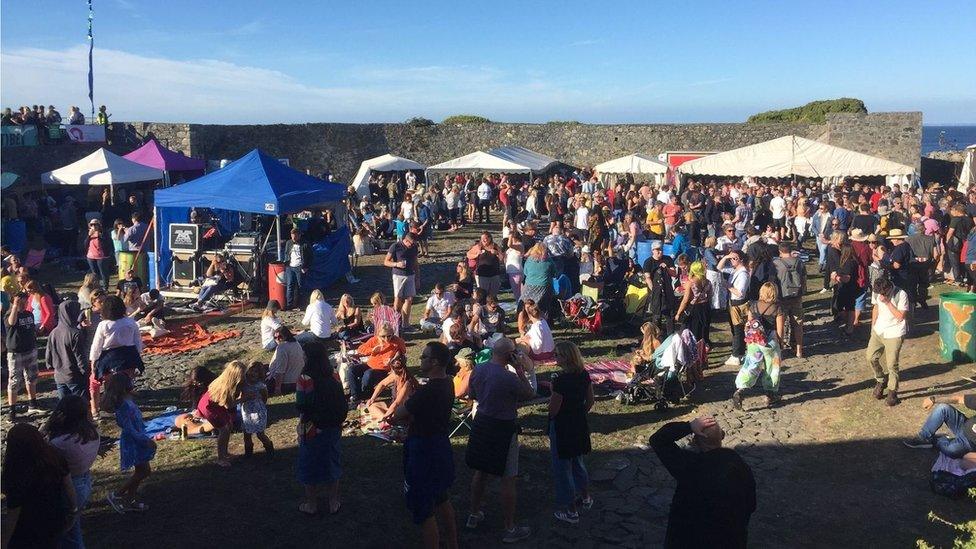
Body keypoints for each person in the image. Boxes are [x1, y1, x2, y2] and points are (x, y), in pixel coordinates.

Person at [465, 337, 535, 544]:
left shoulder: (478, 370)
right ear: (510, 355)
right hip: (503, 427)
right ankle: (509, 527)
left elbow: (472, 394)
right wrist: (520, 370)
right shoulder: (510, 378)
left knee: (481, 470)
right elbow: (529, 394)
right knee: (508, 477)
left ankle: (474, 513)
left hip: (482, 423)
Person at [650, 417, 756, 549]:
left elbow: (658, 440)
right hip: (729, 540)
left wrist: (688, 426)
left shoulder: (690, 467)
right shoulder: (741, 467)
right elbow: (751, 505)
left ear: (695, 440)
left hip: (688, 539)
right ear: (721, 436)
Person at [394, 342, 459, 549]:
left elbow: (398, 414)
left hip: (423, 450)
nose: (420, 359)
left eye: (424, 357)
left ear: (435, 362)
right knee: (441, 497)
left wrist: (408, 403)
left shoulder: (427, 392)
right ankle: (453, 543)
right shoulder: (447, 383)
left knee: (424, 509)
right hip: (440, 445)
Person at [1, 423, 77, 549]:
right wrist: (73, 510)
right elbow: (69, 487)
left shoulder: (16, 473)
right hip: (55, 518)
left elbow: (13, 516)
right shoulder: (54, 457)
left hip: (28, 528)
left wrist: (3, 543)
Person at [296, 341, 348, 515]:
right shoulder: (334, 375)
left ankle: (312, 504)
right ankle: (333, 501)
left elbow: (302, 406)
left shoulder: (305, 379)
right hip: (333, 425)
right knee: (331, 460)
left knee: (309, 463)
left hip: (312, 427)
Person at [43, 394, 100, 549]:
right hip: (85, 480)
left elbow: (38, 451)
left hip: (67, 488)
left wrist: (48, 426)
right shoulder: (93, 434)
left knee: (65, 533)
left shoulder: (59, 443)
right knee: (73, 527)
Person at [548, 341, 594, 524]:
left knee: (563, 468)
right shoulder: (584, 375)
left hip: (562, 427)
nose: (555, 358)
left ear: (566, 357)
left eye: (557, 355)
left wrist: (552, 391)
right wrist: (579, 411)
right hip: (579, 423)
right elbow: (590, 401)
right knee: (578, 462)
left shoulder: (560, 381)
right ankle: (586, 497)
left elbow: (553, 410)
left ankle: (570, 510)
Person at [102, 375, 155, 512]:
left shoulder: (127, 401)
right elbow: (129, 428)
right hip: (134, 441)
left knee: (141, 471)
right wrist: (144, 440)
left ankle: (130, 499)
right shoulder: (124, 405)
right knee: (144, 471)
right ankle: (118, 494)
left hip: (137, 438)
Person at [732, 282, 785, 410]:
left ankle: (740, 390)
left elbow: (748, 324)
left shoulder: (753, 306)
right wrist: (781, 343)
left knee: (751, 365)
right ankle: (770, 394)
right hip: (770, 341)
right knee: (772, 367)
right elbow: (780, 329)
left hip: (754, 340)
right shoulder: (777, 308)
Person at [866, 277, 908, 407]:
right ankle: (880, 379)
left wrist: (888, 302)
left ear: (889, 287)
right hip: (879, 330)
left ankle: (892, 392)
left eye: (883, 293)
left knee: (892, 364)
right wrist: (873, 326)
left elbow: (901, 316)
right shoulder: (877, 292)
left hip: (894, 332)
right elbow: (876, 308)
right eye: (879, 293)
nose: (881, 295)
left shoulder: (901, 294)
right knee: (870, 357)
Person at [196, 361, 246, 467]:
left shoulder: (224, 380)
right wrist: (242, 399)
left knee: (229, 425)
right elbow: (227, 405)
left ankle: (225, 452)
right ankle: (220, 457)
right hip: (209, 407)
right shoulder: (225, 387)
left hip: (215, 404)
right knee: (224, 430)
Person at [344, 322, 407, 402]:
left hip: (384, 369)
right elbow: (361, 348)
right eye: (383, 336)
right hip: (370, 364)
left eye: (389, 336)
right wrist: (372, 350)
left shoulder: (397, 341)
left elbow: (402, 352)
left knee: (368, 374)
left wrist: (393, 360)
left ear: (393, 334)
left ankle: (366, 392)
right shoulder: (374, 340)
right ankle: (355, 395)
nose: (386, 339)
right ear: (378, 335)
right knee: (351, 370)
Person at [903, 393, 976, 457]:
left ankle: (935, 440)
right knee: (943, 408)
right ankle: (923, 437)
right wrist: (933, 399)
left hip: (969, 443)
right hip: (963, 425)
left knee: (951, 450)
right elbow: (959, 399)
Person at [47, 300, 90, 400]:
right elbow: (80, 357)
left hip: (59, 375)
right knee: (81, 405)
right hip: (74, 376)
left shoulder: (53, 332)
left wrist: (51, 366)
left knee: (64, 406)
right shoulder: (75, 333)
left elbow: (48, 355)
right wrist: (86, 372)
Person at [772, 242, 806, 357]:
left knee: (780, 323)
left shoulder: (776, 264)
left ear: (780, 251)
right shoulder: (799, 262)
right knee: (798, 324)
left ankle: (779, 350)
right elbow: (804, 278)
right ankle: (799, 350)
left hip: (782, 297)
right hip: (796, 296)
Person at [717, 250, 750, 367]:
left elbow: (740, 293)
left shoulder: (743, 274)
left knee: (738, 330)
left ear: (741, 259)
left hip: (738, 304)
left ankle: (736, 355)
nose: (732, 260)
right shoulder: (734, 271)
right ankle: (740, 353)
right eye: (731, 259)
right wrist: (726, 257)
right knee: (734, 329)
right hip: (732, 303)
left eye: (734, 258)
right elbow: (719, 268)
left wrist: (728, 286)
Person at [364, 354, 416, 424]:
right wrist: (372, 398)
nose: (390, 372)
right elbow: (382, 384)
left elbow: (397, 403)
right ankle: (386, 420)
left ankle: (385, 420)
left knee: (396, 413)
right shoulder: (395, 375)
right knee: (372, 406)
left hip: (404, 409)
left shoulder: (407, 383)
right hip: (393, 407)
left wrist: (386, 415)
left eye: (391, 370)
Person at [384, 231, 420, 328]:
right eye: (411, 243)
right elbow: (386, 261)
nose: (412, 245)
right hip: (398, 275)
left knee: (409, 299)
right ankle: (396, 321)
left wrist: (417, 277)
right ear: (406, 240)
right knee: (398, 298)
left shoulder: (414, 247)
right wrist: (396, 264)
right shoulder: (395, 246)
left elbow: (416, 262)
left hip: (410, 275)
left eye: (414, 244)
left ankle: (406, 323)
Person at [240, 362, 275, 459]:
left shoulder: (261, 386)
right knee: (246, 434)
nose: (253, 373)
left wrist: (260, 405)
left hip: (258, 411)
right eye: (251, 370)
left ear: (260, 374)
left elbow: (265, 397)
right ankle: (248, 452)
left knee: (260, 433)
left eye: (256, 372)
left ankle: (269, 448)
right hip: (246, 412)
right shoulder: (244, 384)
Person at [673, 260, 713, 344]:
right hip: (705, 306)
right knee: (704, 329)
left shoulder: (690, 283)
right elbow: (710, 296)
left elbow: (685, 300)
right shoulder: (708, 282)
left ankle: (694, 348)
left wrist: (678, 313)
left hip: (695, 308)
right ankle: (704, 346)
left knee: (693, 330)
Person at [644, 241, 677, 335]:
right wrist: (653, 290)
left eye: (661, 249)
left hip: (668, 290)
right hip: (656, 291)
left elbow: (674, 273)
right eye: (657, 250)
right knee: (656, 316)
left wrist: (666, 268)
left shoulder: (668, 259)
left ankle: (670, 336)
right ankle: (657, 336)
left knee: (670, 315)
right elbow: (648, 278)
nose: (660, 252)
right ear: (652, 251)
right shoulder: (648, 262)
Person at [268, 327, 305, 395]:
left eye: (280, 337)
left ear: (286, 336)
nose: (277, 339)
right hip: (296, 380)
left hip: (285, 383)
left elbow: (280, 371)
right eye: (275, 337)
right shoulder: (296, 343)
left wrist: (277, 388)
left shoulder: (282, 348)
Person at [467, 232, 505, 298]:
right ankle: (484, 306)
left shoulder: (495, 246)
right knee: (483, 294)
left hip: (494, 274)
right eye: (482, 238)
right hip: (482, 275)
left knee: (493, 294)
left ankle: (492, 305)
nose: (484, 240)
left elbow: (502, 258)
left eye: (486, 238)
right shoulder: (479, 246)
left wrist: (497, 253)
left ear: (490, 238)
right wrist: (476, 254)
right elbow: (468, 254)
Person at [283, 228, 312, 310]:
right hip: (290, 267)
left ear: (299, 235)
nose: (293, 238)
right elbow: (286, 253)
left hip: (300, 267)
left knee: (301, 286)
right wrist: (286, 263)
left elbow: (311, 256)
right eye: (292, 236)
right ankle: (289, 304)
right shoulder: (288, 243)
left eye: (295, 236)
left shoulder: (305, 244)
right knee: (290, 285)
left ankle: (301, 304)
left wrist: (306, 267)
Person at [505, 234, 524, 302]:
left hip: (516, 271)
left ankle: (520, 306)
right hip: (511, 271)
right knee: (516, 291)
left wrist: (510, 235)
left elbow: (509, 244)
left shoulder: (519, 245)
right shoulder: (512, 248)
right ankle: (519, 305)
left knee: (517, 292)